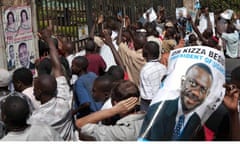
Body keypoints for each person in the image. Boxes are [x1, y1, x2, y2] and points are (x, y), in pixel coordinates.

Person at [139, 63, 213, 140]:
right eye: (193, 83)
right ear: (182, 81)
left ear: (207, 95)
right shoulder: (157, 111)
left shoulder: (198, 121)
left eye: (203, 89)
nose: (196, 93)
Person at [28, 29, 76, 140]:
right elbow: (57, 68)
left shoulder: (35, 119)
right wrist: (49, 39)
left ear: (39, 92)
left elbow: (57, 68)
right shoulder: (64, 101)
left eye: (35, 88)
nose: (33, 90)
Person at [75, 80, 145, 141]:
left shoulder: (119, 133)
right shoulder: (150, 118)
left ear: (115, 103)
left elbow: (79, 124)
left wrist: (114, 110)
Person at [139, 41, 167, 111]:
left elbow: (148, 96)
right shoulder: (163, 67)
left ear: (146, 54)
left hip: (149, 106)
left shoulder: (145, 70)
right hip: (161, 102)